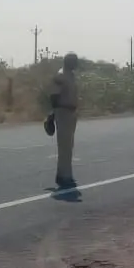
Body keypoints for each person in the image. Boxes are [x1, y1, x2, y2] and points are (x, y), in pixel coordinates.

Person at [50, 53, 80, 188]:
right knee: (64, 146)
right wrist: (52, 114)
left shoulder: (71, 75)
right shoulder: (61, 76)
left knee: (69, 145)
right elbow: (54, 97)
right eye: (74, 61)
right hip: (63, 113)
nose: (76, 63)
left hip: (71, 113)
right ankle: (64, 176)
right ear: (68, 62)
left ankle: (64, 174)